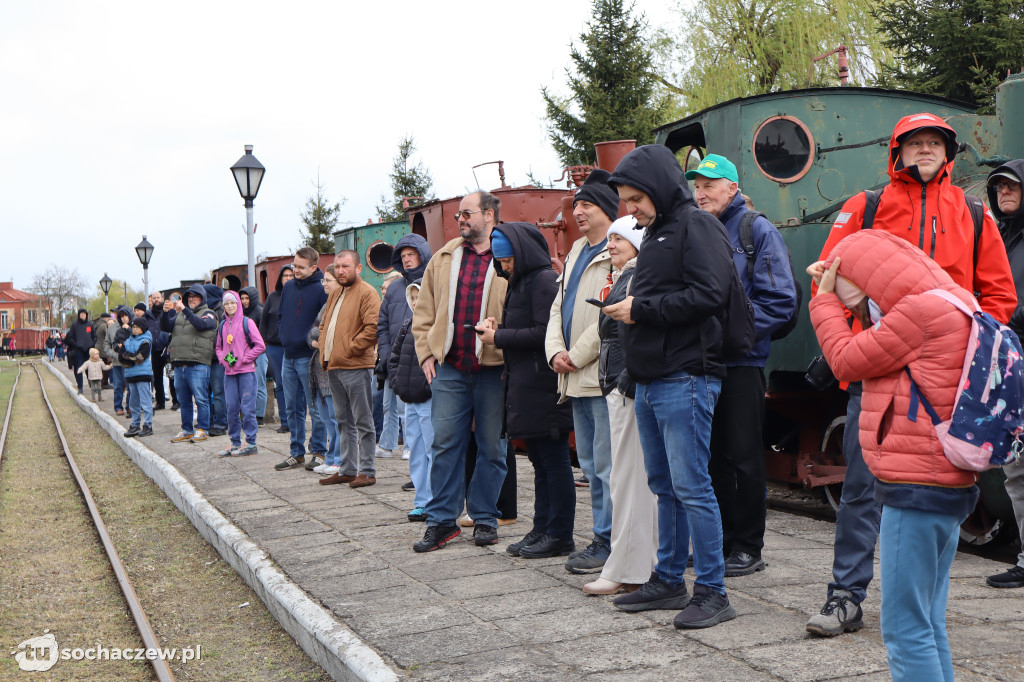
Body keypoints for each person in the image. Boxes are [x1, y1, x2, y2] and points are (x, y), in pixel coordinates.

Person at [806, 113, 1017, 636]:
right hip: (878, 368)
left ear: (948, 154)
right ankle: (846, 595)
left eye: (934, 143)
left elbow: (999, 297)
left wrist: (965, 354)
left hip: (945, 379)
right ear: (897, 152)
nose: (925, 150)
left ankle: (922, 608)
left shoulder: (972, 212)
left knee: (947, 482)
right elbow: (826, 280)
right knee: (861, 483)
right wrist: (861, 338)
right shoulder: (868, 206)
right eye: (915, 143)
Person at [808, 229, 979, 682]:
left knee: (905, 629)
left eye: (858, 302)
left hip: (915, 486)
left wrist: (824, 302)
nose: (860, 313)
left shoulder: (918, 313)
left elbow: (845, 361)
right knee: (927, 622)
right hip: (947, 481)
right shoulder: (954, 299)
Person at [604, 144, 737, 629]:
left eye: (636, 198)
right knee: (664, 485)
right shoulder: (659, 231)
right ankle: (666, 578)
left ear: (659, 189)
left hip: (688, 376)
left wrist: (640, 309)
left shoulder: (696, 226)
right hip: (652, 379)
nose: (630, 209)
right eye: (626, 200)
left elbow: (709, 294)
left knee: (692, 486)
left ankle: (713, 591)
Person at [687, 154, 799, 576]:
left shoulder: (756, 230)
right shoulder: (698, 230)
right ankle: (722, 543)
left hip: (741, 363)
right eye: (697, 185)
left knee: (743, 457)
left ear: (732, 188)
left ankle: (749, 546)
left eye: (710, 185)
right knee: (712, 458)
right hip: (702, 363)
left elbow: (780, 300)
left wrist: (731, 334)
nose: (701, 192)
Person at [411, 190, 509, 552]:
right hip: (450, 368)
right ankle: (441, 522)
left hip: (494, 368)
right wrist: (426, 354)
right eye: (458, 216)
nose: (460, 220)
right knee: (444, 445)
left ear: (489, 215)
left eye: (466, 213)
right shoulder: (444, 257)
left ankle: (484, 518)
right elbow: (423, 312)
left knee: (493, 447)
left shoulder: (508, 254)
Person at [479, 223, 576, 559]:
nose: (504, 267)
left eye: (507, 261)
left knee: (554, 461)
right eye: (500, 262)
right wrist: (501, 330)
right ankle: (542, 527)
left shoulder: (543, 281)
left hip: (544, 386)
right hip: (527, 384)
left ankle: (560, 533)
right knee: (539, 461)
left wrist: (498, 337)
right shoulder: (521, 283)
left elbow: (543, 333)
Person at [544, 169, 616, 573]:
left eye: (586, 205)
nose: (578, 211)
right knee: (589, 465)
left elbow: (608, 312)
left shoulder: (617, 249)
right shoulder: (575, 251)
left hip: (597, 373)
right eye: (576, 206)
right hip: (573, 376)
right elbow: (559, 306)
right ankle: (602, 535)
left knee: (606, 464)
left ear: (607, 209)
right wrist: (555, 350)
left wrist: (575, 353)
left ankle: (609, 539)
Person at [585, 215, 658, 595]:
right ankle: (643, 563)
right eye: (609, 238)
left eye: (619, 238)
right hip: (622, 383)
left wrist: (625, 381)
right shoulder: (629, 275)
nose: (610, 244)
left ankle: (628, 569)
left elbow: (632, 336)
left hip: (625, 385)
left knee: (628, 478)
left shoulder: (636, 277)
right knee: (631, 478)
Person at [987, 160, 1024, 589]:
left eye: (1012, 186)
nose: (1003, 193)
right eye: (998, 187)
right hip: (1010, 361)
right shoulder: (1001, 238)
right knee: (1016, 468)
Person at [317, 250, 380, 486]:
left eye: (345, 266)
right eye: (337, 266)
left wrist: (349, 349)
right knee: (343, 420)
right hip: (334, 366)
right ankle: (348, 468)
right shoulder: (336, 294)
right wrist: (327, 350)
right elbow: (324, 325)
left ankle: (368, 471)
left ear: (358, 268)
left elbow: (373, 328)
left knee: (363, 421)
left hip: (355, 366)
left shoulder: (367, 293)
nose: (340, 271)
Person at [378, 236, 431, 459]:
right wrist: (387, 356)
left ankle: (416, 455)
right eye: (403, 256)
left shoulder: (433, 281)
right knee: (398, 411)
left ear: (422, 253)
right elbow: (382, 325)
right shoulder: (394, 288)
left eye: (411, 254)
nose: (407, 260)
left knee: (426, 422)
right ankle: (410, 457)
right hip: (397, 362)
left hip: (425, 364)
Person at [275, 248, 328, 471]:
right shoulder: (288, 287)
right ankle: (296, 453)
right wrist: (282, 335)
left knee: (315, 407)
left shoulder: (321, 290)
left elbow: (323, 322)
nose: (294, 270)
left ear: (313, 268)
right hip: (288, 355)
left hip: (308, 357)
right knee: (291, 408)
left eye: (299, 267)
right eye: (294, 265)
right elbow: (282, 316)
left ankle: (318, 451)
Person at [388, 280, 433, 521]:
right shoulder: (406, 326)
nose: (415, 302)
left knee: (431, 449)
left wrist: (429, 386)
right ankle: (422, 500)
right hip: (409, 399)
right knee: (415, 450)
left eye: (419, 297)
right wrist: (398, 384)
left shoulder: (433, 326)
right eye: (412, 298)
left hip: (427, 399)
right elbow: (395, 358)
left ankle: (436, 500)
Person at [162, 284, 218, 443]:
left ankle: (203, 428)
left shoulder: (209, 313)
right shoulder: (180, 315)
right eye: (189, 296)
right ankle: (186, 429)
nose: (192, 299)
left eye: (195, 296)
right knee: (183, 401)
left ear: (202, 298)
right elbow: (165, 326)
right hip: (180, 363)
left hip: (198, 363)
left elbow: (201, 325)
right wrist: (165, 313)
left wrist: (185, 310)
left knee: (201, 399)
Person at [215, 290, 266, 456]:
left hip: (246, 372)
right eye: (227, 303)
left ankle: (251, 442)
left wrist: (245, 358)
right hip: (229, 374)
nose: (230, 306)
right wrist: (223, 359)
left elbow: (260, 345)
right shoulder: (222, 325)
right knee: (231, 408)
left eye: (232, 303)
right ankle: (235, 443)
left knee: (247, 408)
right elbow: (219, 347)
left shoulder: (247, 322)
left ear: (238, 304)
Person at [308, 264, 344, 478]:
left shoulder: (342, 303)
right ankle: (330, 457)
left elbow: (332, 333)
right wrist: (317, 341)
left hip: (333, 370)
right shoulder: (326, 305)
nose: (324, 284)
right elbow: (311, 332)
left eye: (328, 280)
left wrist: (318, 337)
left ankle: (339, 459)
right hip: (318, 372)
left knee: (337, 418)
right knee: (325, 418)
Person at [260, 265, 294, 432]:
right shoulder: (273, 297)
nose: (288, 278)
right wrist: (265, 343)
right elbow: (264, 321)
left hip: (295, 346)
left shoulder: (298, 295)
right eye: (285, 275)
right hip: (275, 348)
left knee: (296, 385)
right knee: (280, 384)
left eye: (291, 275)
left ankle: (296, 419)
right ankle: (285, 421)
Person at [120, 317, 154, 438]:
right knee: (133, 402)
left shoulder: (146, 341)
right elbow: (121, 357)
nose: (134, 329)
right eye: (133, 327)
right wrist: (130, 358)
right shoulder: (128, 341)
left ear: (143, 328)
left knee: (145, 401)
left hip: (143, 374)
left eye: (137, 327)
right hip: (130, 375)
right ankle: (135, 424)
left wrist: (127, 357)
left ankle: (148, 425)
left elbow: (140, 357)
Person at [239, 286, 267, 426]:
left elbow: (263, 335)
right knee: (246, 386)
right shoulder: (239, 313)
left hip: (259, 354)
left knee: (260, 384)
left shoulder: (259, 312)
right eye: (242, 298)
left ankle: (259, 416)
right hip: (243, 353)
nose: (244, 301)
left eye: (247, 298)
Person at [103, 307, 132, 415]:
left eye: (125, 315)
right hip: (117, 362)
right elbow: (107, 344)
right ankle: (118, 407)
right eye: (121, 315)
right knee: (118, 385)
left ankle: (130, 406)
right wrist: (114, 354)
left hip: (129, 362)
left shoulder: (133, 326)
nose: (123, 318)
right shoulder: (112, 328)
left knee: (130, 386)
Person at [66, 309, 96, 394]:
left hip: (88, 350)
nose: (83, 316)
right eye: (81, 314)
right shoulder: (75, 325)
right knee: (79, 368)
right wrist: (76, 344)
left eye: (84, 314)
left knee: (89, 368)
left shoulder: (90, 324)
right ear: (79, 315)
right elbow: (70, 337)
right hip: (78, 350)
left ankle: (92, 384)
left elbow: (94, 336)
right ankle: (80, 387)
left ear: (86, 315)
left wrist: (92, 344)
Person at [148, 291, 168, 410]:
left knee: (172, 376)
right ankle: (160, 402)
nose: (156, 300)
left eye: (158, 297)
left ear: (162, 298)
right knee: (157, 377)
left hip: (167, 347)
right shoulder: (148, 314)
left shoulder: (168, 312)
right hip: (155, 349)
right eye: (154, 298)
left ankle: (176, 401)